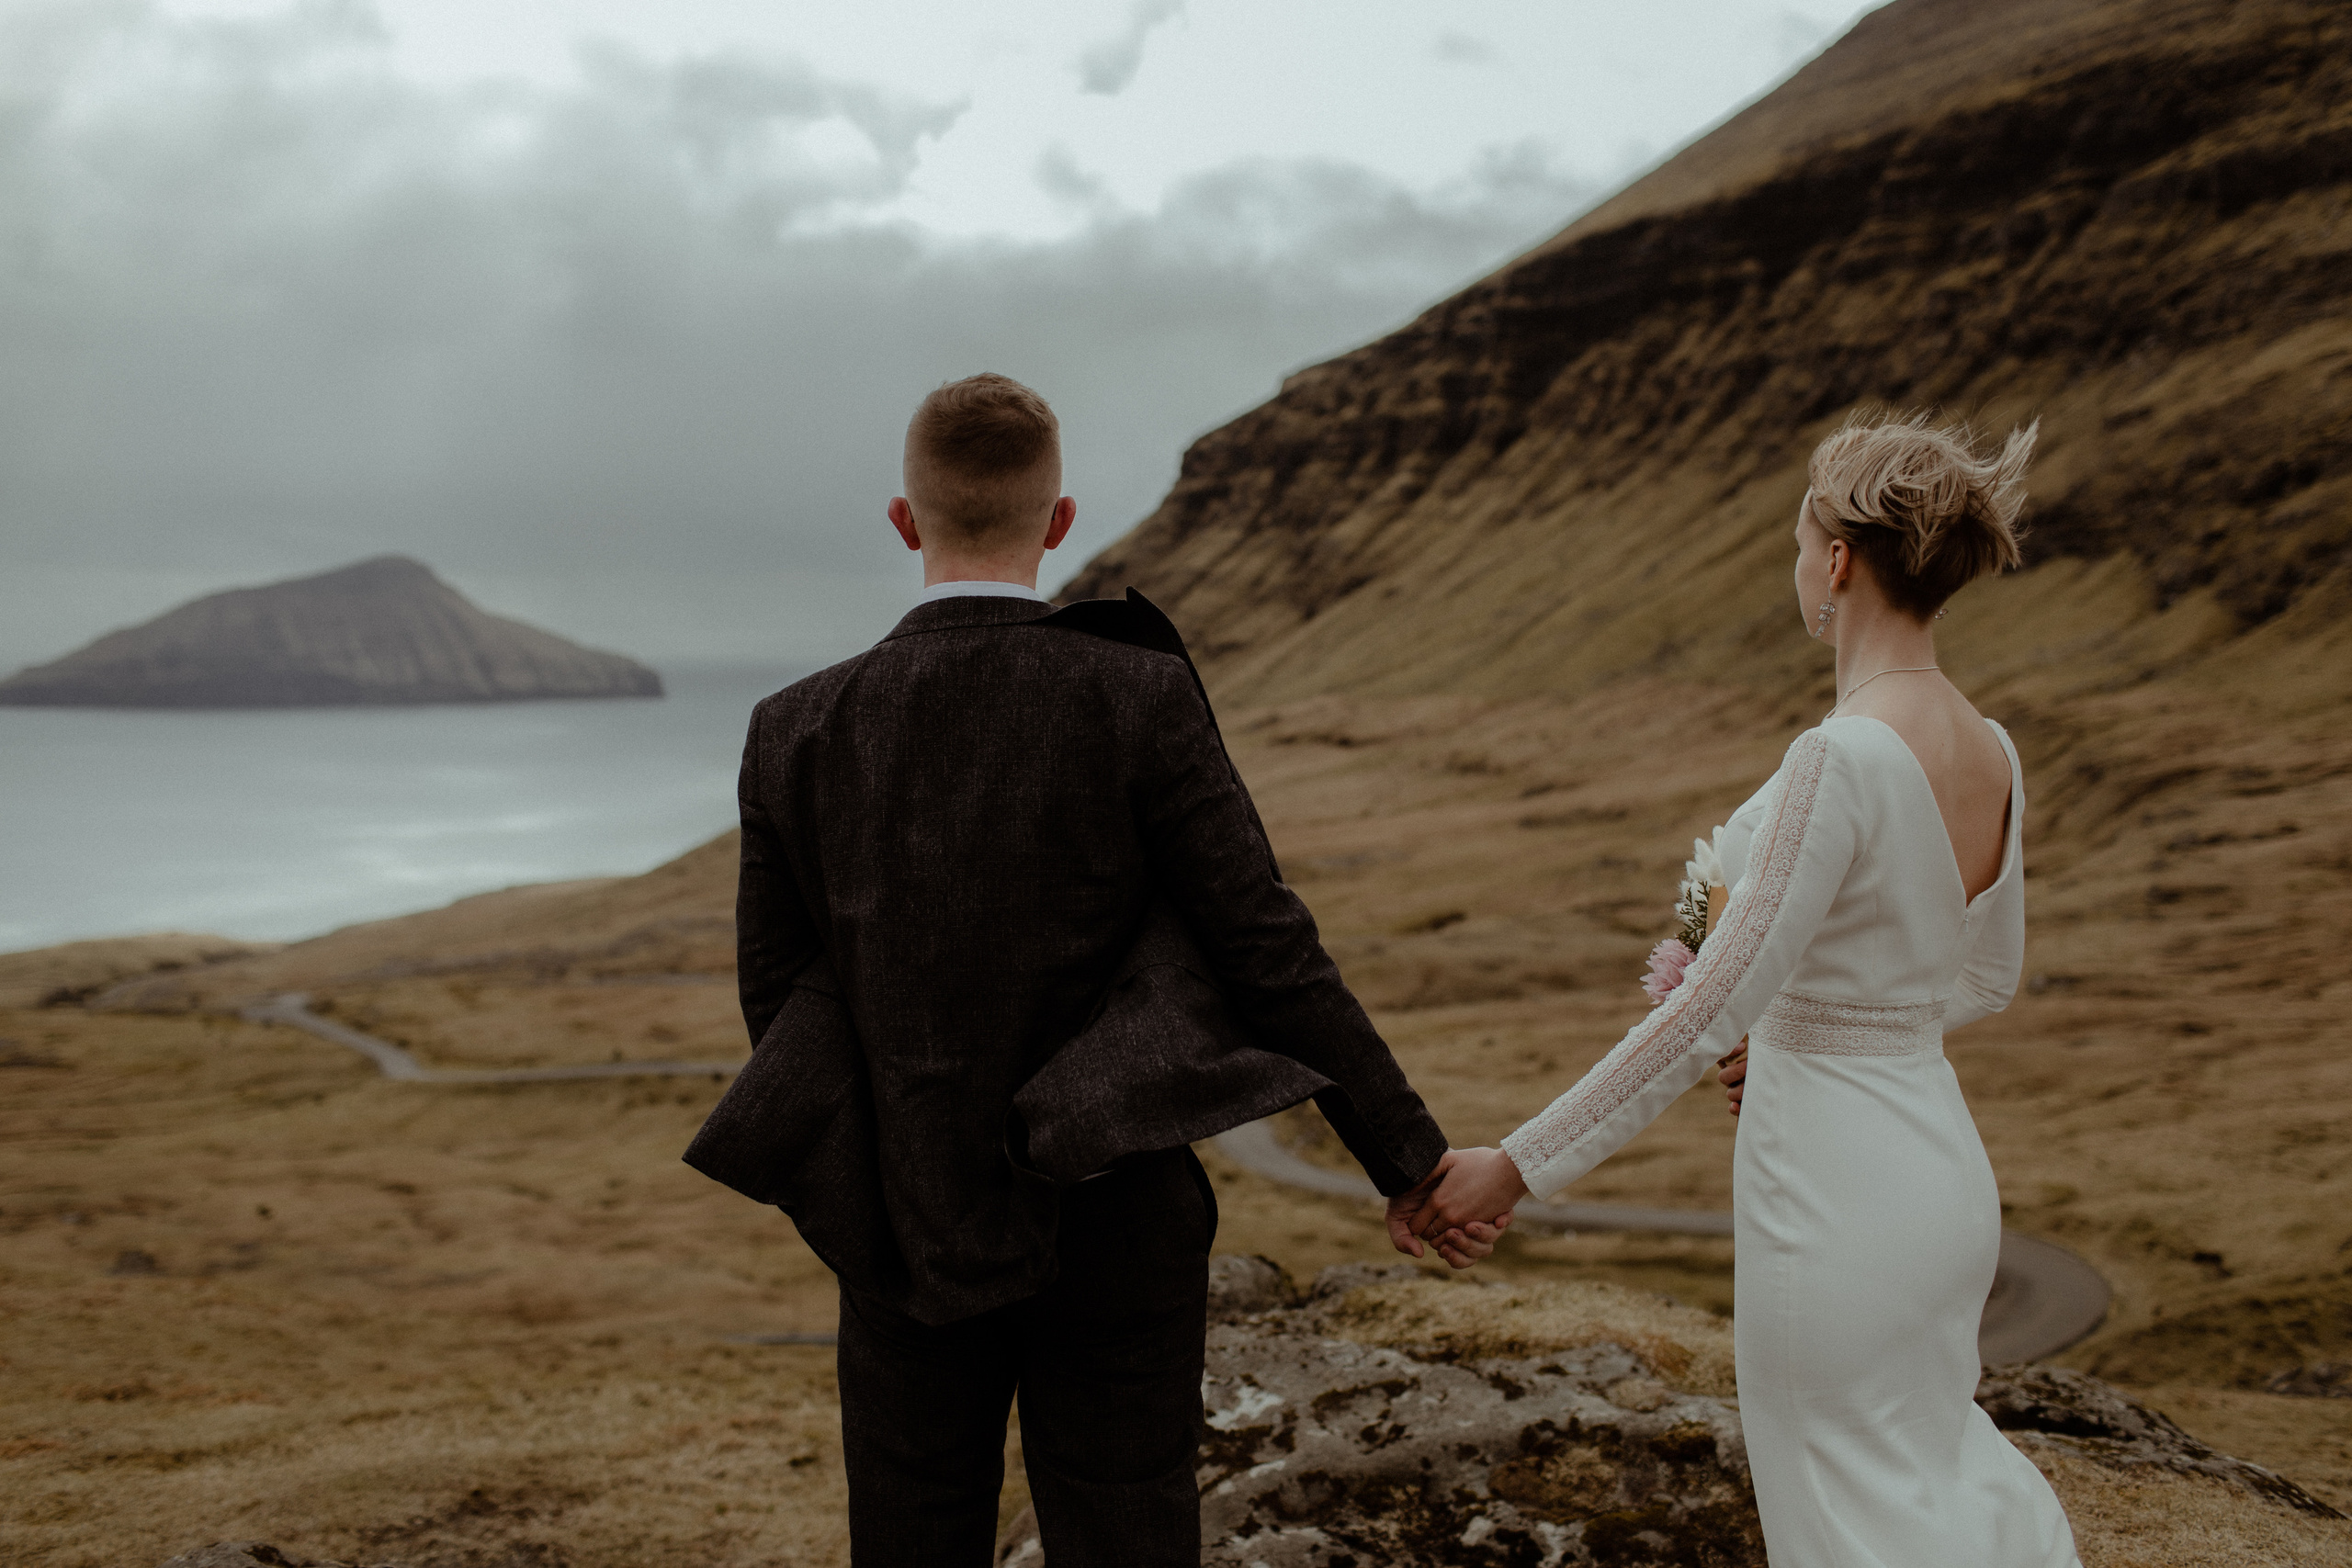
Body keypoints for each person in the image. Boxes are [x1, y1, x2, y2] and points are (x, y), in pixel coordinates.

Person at [730, 372, 1496, 1568]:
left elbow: (778, 997)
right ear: (1060, 519)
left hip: (898, 1218)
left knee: (910, 1534)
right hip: (1120, 1214)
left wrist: (875, 1173)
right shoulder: (1140, 692)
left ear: (903, 518)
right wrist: (1407, 1158)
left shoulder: (797, 725)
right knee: (1127, 1532)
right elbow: (1265, 943)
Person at [1402, 412, 2082, 1566]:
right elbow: (1988, 976)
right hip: (1939, 1175)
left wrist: (1514, 1164)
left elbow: (1707, 1005)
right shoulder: (1992, 748)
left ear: (1835, 562)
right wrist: (1834, 1024)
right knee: (1928, 1479)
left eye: (1797, 541)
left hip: (1832, 1190)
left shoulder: (1840, 755)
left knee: (1841, 1513)